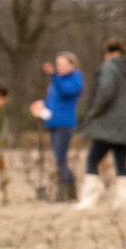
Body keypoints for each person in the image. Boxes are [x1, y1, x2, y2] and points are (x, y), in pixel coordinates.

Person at [75, 39, 126, 211]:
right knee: (121, 163)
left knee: (92, 160)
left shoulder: (109, 67)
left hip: (108, 124)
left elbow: (105, 91)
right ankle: (122, 203)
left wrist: (93, 111)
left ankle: (89, 199)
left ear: (108, 53)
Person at [31, 52, 84, 202]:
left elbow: (67, 92)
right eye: (57, 64)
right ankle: (70, 193)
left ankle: (63, 195)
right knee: (60, 159)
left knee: (61, 159)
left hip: (65, 124)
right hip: (53, 122)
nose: (58, 67)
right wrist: (41, 106)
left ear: (71, 65)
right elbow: (53, 101)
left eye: (62, 64)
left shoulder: (76, 78)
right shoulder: (56, 80)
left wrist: (53, 75)